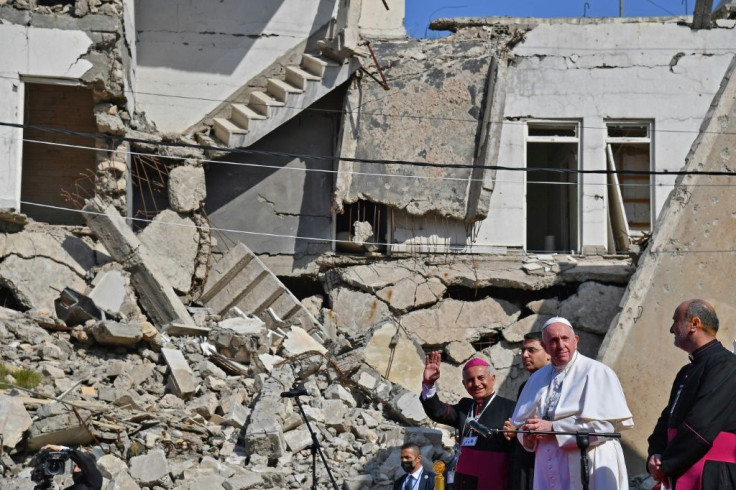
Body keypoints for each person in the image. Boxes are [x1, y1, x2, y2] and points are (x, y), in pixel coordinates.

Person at [511, 317, 634, 490]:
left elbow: (606, 427)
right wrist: (528, 436)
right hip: (548, 466)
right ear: (545, 348)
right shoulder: (536, 379)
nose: (560, 345)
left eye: (565, 339)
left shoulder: (597, 372)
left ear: (575, 340)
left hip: (591, 463)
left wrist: (553, 427)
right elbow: (521, 425)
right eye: (553, 341)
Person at [647, 299, 736, 489]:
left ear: (694, 324)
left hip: (711, 474)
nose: (671, 329)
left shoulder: (727, 366)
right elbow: (666, 419)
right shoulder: (686, 371)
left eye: (675, 321)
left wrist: (668, 463)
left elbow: (702, 424)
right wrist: (655, 453)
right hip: (680, 465)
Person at [420, 351, 516, 489]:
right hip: (464, 481)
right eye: (470, 380)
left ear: (492, 378)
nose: (476, 383)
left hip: (493, 481)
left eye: (481, 377)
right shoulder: (464, 407)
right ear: (464, 384)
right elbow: (438, 412)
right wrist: (428, 385)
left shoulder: (510, 407)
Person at [504, 331, 551, 490]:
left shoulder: (556, 382)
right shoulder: (525, 386)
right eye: (523, 351)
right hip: (524, 460)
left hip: (546, 459)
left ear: (548, 353)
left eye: (531, 350)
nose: (525, 355)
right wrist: (514, 430)